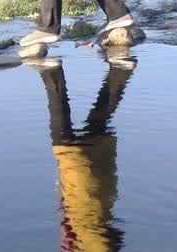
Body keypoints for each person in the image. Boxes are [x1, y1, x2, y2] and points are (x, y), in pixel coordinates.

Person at [38, 61, 133, 252]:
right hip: (81, 177)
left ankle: (121, 69)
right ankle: (51, 70)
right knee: (59, 120)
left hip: (103, 176)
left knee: (98, 124)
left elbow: (115, 238)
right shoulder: (89, 238)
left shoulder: (97, 221)